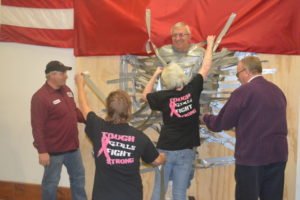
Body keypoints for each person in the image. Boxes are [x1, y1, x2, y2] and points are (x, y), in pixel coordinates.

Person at [200, 56, 288, 200]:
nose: (238, 78)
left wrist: (205, 118)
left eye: (238, 74)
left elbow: (222, 123)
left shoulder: (244, 91)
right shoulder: (277, 91)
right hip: (278, 156)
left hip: (252, 157)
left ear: (246, 72)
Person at [143, 35, 215, 200]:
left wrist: (155, 74)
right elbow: (206, 66)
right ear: (182, 76)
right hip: (186, 150)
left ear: (167, 81)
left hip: (165, 149)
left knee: (158, 191)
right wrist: (210, 45)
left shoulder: (163, 97)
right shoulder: (193, 89)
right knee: (179, 193)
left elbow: (145, 95)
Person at [75, 73, 166, 200]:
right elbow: (157, 161)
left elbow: (84, 107)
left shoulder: (97, 128)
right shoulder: (139, 137)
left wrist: (79, 84)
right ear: (128, 110)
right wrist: (163, 156)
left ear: (108, 109)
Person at [31, 61, 87, 200]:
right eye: (63, 73)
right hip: (53, 151)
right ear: (52, 75)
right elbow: (37, 126)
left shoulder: (67, 90)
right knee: (51, 183)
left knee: (78, 178)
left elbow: (74, 111)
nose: (66, 76)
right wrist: (42, 151)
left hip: (73, 148)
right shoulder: (40, 97)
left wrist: (89, 119)